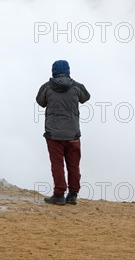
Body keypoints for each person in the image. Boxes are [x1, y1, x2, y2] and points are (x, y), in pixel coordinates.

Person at [36, 60, 90, 205]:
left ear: (53, 71)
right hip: (73, 134)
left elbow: (40, 102)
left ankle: (59, 195)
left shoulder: (47, 87)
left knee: (57, 164)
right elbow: (86, 97)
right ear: (68, 71)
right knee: (73, 164)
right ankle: (73, 194)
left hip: (53, 135)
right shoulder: (77, 87)